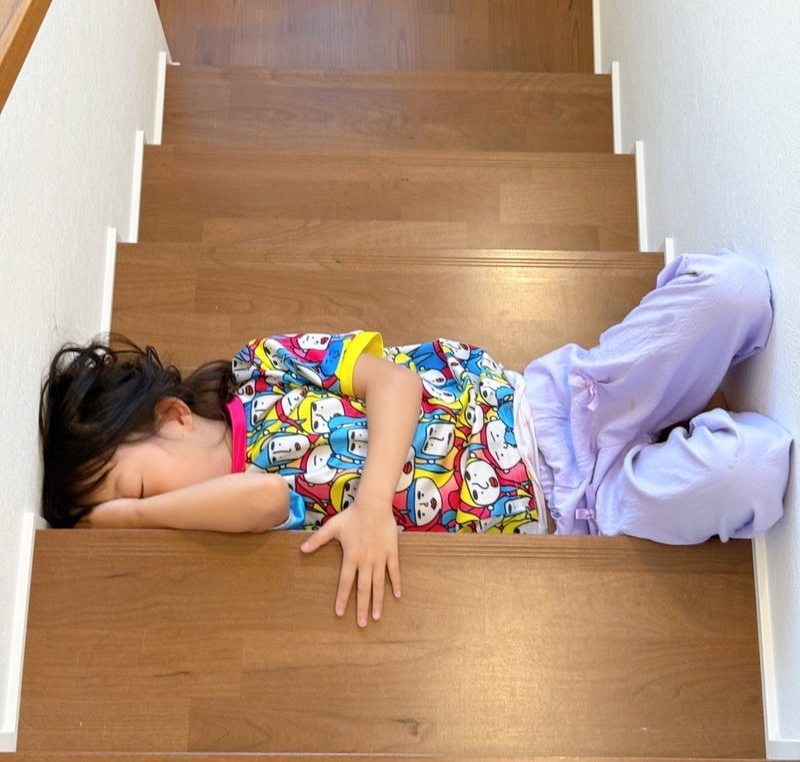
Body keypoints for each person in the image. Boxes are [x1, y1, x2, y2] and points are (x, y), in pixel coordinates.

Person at [39, 252, 792, 627]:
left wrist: (372, 504)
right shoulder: (231, 521)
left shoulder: (262, 366)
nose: (150, 513)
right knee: (758, 472)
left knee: (736, 289)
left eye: (139, 488)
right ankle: (681, 432)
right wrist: (131, 518)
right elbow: (264, 497)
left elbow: (395, 383)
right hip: (578, 517)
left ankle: (668, 412)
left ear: (173, 415)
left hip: (556, 407)